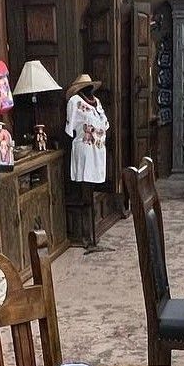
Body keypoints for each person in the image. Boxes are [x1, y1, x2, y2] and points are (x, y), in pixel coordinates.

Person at [64, 74, 111, 251]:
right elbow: (70, 130)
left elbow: (105, 125)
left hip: (98, 151)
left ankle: (94, 236)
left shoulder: (96, 101)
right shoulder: (74, 102)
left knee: (94, 188)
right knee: (85, 190)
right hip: (84, 151)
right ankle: (86, 236)